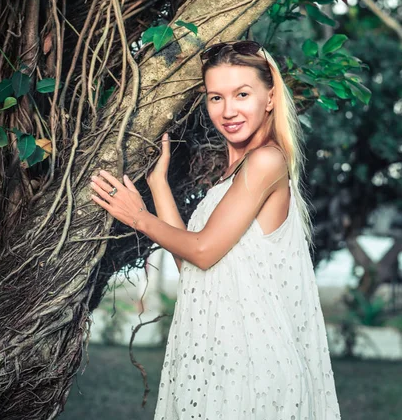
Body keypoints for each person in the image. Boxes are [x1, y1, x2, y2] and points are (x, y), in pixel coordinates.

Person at [90, 39, 341, 419]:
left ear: (270, 98)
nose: (228, 110)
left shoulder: (266, 161)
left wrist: (138, 217)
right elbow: (192, 264)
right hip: (215, 358)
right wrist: (158, 184)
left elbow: (203, 251)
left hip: (252, 366)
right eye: (216, 98)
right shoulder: (230, 176)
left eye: (242, 94)